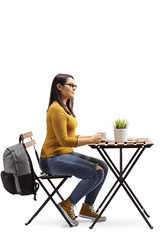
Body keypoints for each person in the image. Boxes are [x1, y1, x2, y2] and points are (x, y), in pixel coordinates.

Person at [39, 74, 108, 226]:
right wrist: (89, 140)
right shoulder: (56, 109)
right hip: (51, 159)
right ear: (59, 86)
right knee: (96, 172)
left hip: (64, 154)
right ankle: (67, 204)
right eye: (70, 85)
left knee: (103, 166)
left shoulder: (65, 108)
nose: (74, 88)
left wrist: (90, 137)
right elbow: (64, 140)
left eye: (75, 86)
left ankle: (87, 208)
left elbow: (70, 136)